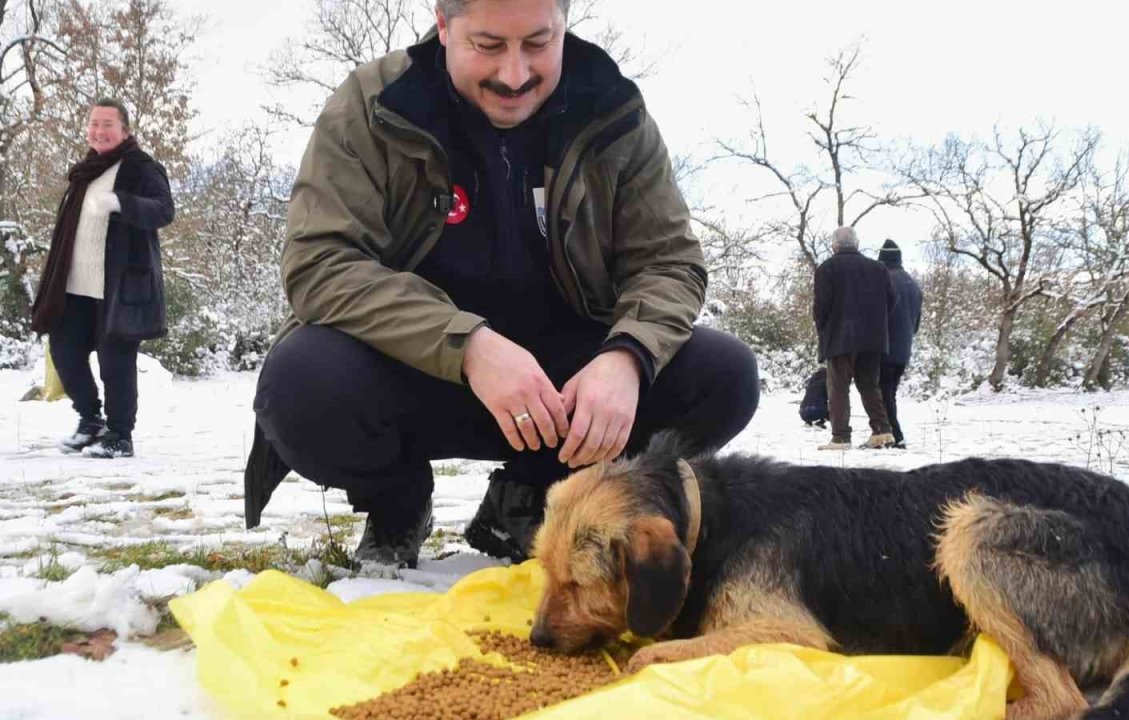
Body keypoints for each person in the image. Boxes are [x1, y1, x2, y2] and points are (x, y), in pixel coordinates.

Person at [242, 0, 759, 570]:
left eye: (539, 44)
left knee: (723, 376)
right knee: (301, 384)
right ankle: (398, 500)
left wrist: (627, 356)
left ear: (564, 24)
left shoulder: (614, 111)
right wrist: (468, 345)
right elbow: (320, 262)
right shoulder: (371, 104)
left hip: (565, 389)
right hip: (412, 370)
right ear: (443, 25)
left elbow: (670, 261)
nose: (514, 75)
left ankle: (531, 498)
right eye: (487, 46)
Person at [30, 98, 173, 460]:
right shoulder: (86, 171)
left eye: (107, 124)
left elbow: (163, 210)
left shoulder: (141, 168)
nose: (99, 130)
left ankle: (120, 436)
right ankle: (91, 421)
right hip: (76, 285)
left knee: (116, 362)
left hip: (119, 286)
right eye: (94, 123)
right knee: (63, 350)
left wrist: (121, 203)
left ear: (124, 129)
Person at [812, 227, 896, 450]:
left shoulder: (826, 269)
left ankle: (841, 437)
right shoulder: (878, 269)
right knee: (870, 384)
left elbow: (821, 307)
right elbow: (892, 300)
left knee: (838, 387)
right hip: (872, 338)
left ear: (834, 245)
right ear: (856, 244)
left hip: (839, 337)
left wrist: (824, 330)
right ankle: (882, 431)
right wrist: (877, 324)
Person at [877, 239, 923, 449]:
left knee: (883, 394)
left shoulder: (883, 282)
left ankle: (893, 435)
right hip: (904, 348)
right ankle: (888, 434)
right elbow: (916, 324)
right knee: (889, 393)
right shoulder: (913, 285)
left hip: (884, 347)